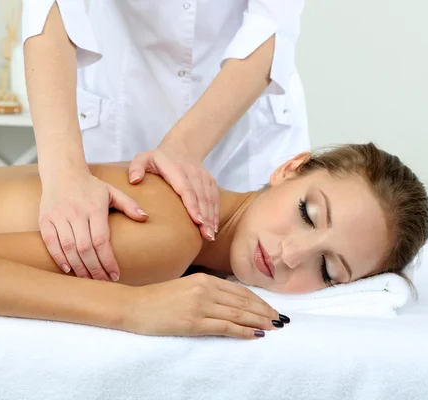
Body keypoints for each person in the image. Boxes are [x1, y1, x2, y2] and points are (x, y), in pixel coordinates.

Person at [0, 132, 428, 339]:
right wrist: (132, 309)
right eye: (310, 214)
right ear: (291, 167)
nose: (289, 256)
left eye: (328, 271)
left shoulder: (196, 233)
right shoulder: (171, 236)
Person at [22, 0, 310, 283]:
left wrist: (182, 147)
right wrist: (64, 172)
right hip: (124, 102)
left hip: (244, 122)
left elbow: (270, 25)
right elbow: (49, 6)